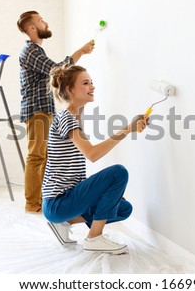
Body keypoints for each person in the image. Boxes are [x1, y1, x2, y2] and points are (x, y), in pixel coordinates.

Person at [42, 65, 148, 255]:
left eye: (91, 82)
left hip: (62, 203)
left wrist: (106, 194)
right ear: (69, 89)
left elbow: (72, 171)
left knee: (123, 208)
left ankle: (64, 222)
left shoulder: (75, 117)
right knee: (118, 172)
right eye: (85, 83)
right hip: (57, 203)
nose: (92, 86)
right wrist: (127, 129)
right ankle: (94, 238)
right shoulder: (66, 118)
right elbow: (92, 154)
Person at [17, 11, 94, 213]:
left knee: (43, 155)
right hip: (37, 110)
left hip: (43, 110)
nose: (45, 22)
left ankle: (39, 201)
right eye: (41, 20)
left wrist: (80, 53)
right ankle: (32, 203)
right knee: (36, 156)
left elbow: (58, 70)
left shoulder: (36, 51)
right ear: (32, 28)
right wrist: (80, 52)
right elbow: (57, 70)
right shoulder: (30, 51)